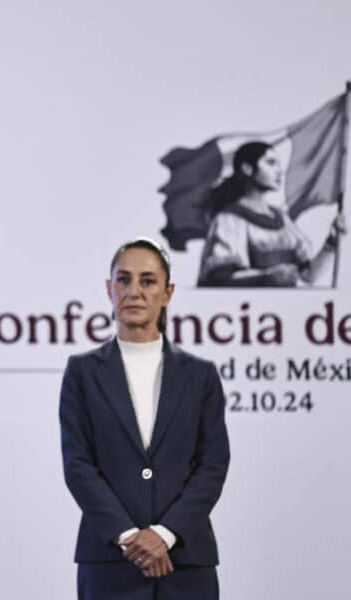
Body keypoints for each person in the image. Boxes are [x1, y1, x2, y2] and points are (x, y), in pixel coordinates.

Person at [60, 237, 230, 599]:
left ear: (168, 292)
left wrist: (165, 534)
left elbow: (213, 465)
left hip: (185, 561)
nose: (134, 291)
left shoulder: (201, 376)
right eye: (123, 280)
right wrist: (130, 538)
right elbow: (78, 465)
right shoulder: (82, 373)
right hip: (109, 562)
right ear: (109, 289)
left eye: (147, 281)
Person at [197, 140, 346, 286]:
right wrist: (268, 277)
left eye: (278, 164)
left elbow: (308, 276)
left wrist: (331, 242)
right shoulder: (229, 219)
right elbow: (221, 278)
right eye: (270, 163)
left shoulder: (281, 218)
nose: (279, 171)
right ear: (247, 168)